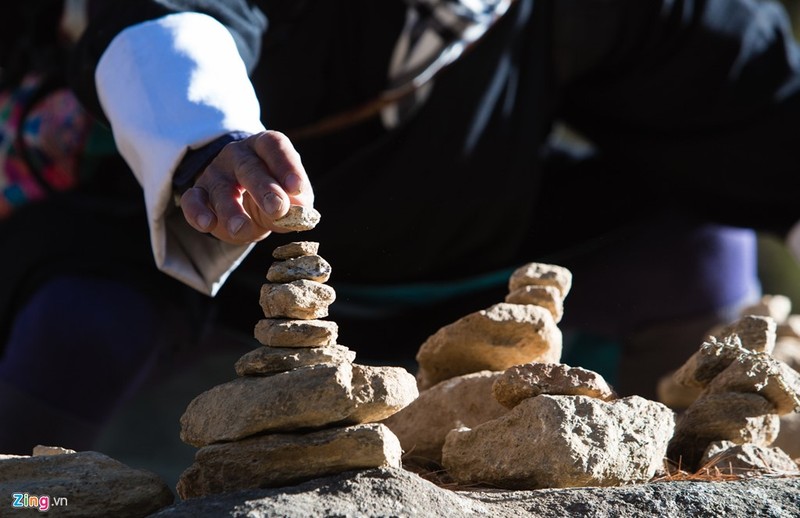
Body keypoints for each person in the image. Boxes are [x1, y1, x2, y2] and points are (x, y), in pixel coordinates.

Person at [1, 0, 798, 454]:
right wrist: (209, 140)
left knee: (698, 245)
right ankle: (29, 504)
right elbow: (169, 13)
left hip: (471, 254)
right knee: (79, 329)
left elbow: (754, 102)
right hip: (209, 260)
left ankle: (679, 465)